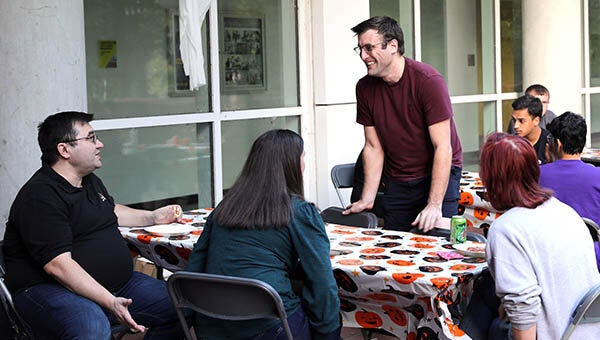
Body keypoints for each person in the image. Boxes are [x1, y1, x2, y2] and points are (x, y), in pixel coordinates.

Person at [3, 111, 185, 339]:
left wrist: (152, 217)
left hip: (118, 285)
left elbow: (109, 210)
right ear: (64, 150)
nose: (100, 144)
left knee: (184, 306)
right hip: (49, 290)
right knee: (91, 327)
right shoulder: (40, 197)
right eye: (90, 138)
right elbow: (58, 266)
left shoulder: (88, 181)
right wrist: (110, 301)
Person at [186, 129, 341, 340]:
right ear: (291, 164)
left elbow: (196, 263)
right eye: (303, 157)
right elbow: (321, 281)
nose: (304, 164)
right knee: (326, 317)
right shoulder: (299, 211)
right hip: (268, 327)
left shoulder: (225, 207)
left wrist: (186, 317)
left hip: (212, 324)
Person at [464, 132, 600, 339]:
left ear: (491, 179)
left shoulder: (507, 230)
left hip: (555, 332)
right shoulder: (563, 210)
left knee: (483, 295)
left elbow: (523, 313)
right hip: (587, 329)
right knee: (490, 294)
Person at [344, 16, 463, 232]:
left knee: (439, 247)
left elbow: (442, 147)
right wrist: (367, 198)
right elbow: (373, 146)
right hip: (399, 176)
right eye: (360, 49)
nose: (363, 56)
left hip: (439, 172)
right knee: (396, 245)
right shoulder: (364, 87)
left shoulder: (428, 81)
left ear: (392, 46)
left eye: (369, 48)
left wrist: (434, 205)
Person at [539, 111, 600, 269]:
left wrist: (547, 162)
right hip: (593, 258)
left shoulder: (537, 175)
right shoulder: (597, 176)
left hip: (550, 257)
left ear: (557, 144)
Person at [510, 94, 550, 164]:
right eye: (514, 120)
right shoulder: (511, 145)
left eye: (521, 121)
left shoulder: (551, 144)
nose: (515, 126)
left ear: (536, 121)